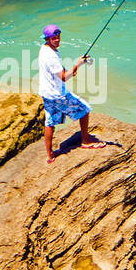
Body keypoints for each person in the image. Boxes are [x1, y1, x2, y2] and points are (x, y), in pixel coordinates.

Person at [38, 23, 107, 164]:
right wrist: (77, 65)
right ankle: (86, 140)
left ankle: (50, 155)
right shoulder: (51, 56)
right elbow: (63, 77)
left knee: (50, 122)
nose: (56, 40)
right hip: (57, 94)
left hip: (46, 92)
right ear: (47, 39)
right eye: (53, 38)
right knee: (84, 109)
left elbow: (58, 72)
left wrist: (72, 70)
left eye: (58, 36)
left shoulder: (44, 49)